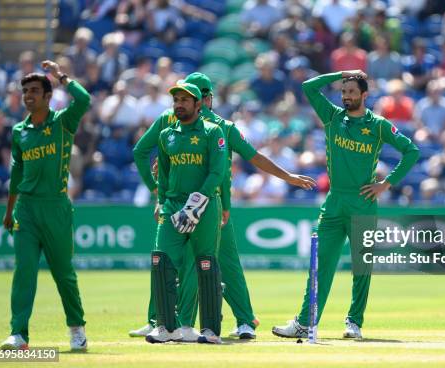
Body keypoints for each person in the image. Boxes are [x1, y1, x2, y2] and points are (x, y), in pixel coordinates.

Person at [131, 73, 315, 340]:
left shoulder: (219, 127)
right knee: (172, 259)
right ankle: (166, 322)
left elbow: (237, 164)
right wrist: (159, 193)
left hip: (211, 204)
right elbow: (144, 153)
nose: (203, 102)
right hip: (186, 202)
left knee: (210, 263)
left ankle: (237, 321)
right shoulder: (172, 122)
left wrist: (285, 178)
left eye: (194, 97)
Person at [272, 70, 419, 339]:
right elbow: (307, 87)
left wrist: (386, 183)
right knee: (320, 265)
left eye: (351, 92)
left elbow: (412, 151)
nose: (346, 96)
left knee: (361, 267)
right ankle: (305, 321)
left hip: (363, 202)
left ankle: (354, 322)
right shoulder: (332, 116)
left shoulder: (378, 125)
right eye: (343, 92)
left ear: (364, 95)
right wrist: (341, 74)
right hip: (334, 202)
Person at [0, 61, 91, 350]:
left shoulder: (63, 122)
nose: (28, 96)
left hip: (56, 208)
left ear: (48, 96)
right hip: (25, 209)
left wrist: (60, 75)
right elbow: (17, 172)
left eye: (35, 91)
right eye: (25, 91)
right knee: (24, 270)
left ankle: (76, 328)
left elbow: (85, 99)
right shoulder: (19, 131)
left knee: (63, 272)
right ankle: (19, 333)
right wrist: (9, 210)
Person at [145, 82, 225, 344]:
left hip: (204, 207)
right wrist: (162, 200)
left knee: (206, 263)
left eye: (185, 100)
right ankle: (165, 327)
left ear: (198, 104)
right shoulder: (166, 134)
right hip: (172, 207)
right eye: (176, 100)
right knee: (161, 262)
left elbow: (217, 172)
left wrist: (197, 202)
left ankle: (210, 330)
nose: (179, 104)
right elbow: (164, 175)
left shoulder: (213, 132)